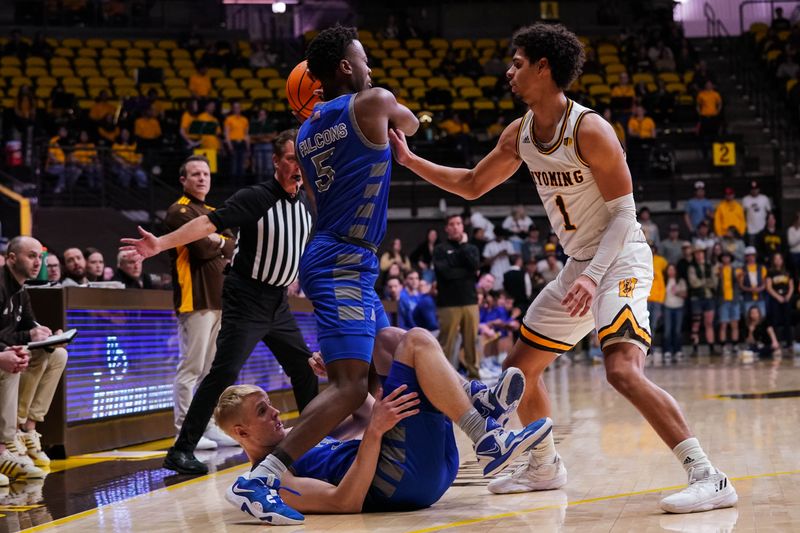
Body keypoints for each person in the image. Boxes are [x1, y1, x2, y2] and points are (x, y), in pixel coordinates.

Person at [388, 22, 736, 513]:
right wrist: (409, 160)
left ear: (543, 67)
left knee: (621, 370)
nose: (509, 71)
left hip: (618, 259)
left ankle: (710, 476)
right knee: (519, 371)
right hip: (580, 265)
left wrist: (594, 276)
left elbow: (624, 214)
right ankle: (544, 467)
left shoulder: (589, 128)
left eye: (517, 62)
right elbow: (470, 184)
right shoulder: (521, 133)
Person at [121, 130, 318, 477]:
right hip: (247, 297)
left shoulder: (303, 204)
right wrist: (161, 244)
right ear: (276, 161)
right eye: (290, 159)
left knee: (304, 369)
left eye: (302, 159)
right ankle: (181, 450)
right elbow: (206, 223)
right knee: (222, 373)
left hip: (278, 302)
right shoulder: (256, 197)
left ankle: (313, 444)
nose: (297, 166)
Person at [221, 328, 550, 522]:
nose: (276, 412)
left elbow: (363, 414)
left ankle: (480, 407)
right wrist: (375, 432)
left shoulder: (294, 437)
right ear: (241, 432)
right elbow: (343, 501)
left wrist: (341, 376)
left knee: (389, 338)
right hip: (401, 481)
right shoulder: (270, 480)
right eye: (263, 411)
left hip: (426, 473)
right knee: (416, 341)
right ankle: (484, 432)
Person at [164, 155, 237, 450]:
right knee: (191, 368)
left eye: (205, 174)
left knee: (210, 370)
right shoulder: (178, 211)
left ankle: (207, 426)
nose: (202, 178)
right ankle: (183, 430)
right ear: (184, 180)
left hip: (218, 300)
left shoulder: (212, 211)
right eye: (195, 174)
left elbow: (233, 244)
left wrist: (220, 241)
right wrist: (220, 241)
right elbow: (203, 249)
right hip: (193, 300)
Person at [2, 237, 66, 471]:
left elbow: (29, 324)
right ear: (11, 258)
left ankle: (29, 427)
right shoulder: (1, 285)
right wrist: (29, 337)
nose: (37, 262)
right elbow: (7, 335)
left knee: (58, 354)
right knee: (20, 357)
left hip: (8, 349)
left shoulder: (21, 290)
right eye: (31, 256)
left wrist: (48, 336)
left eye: (40, 257)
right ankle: (12, 435)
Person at [434, 215, 481, 378]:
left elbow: (475, 267)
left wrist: (463, 247)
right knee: (446, 342)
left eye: (458, 224)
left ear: (463, 227)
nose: (455, 227)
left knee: (471, 342)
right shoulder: (440, 249)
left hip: (470, 301)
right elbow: (445, 273)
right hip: (448, 303)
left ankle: (474, 375)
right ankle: (442, 376)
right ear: (447, 228)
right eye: (452, 224)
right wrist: (466, 271)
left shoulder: (471, 248)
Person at [688, 245, 717, 353]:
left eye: (701, 253)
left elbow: (714, 282)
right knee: (696, 323)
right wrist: (706, 282)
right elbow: (693, 283)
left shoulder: (709, 265)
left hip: (709, 297)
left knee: (709, 322)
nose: (699, 255)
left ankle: (711, 347)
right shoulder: (692, 267)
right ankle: (695, 348)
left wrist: (703, 283)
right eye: (697, 253)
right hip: (697, 298)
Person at [765, 252, 794, 348]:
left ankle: (789, 342)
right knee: (775, 321)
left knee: (787, 321)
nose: (778, 261)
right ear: (773, 261)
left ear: (782, 260)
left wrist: (788, 296)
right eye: (776, 259)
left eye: (779, 259)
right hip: (775, 298)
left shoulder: (787, 272)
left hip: (786, 298)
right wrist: (778, 297)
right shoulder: (770, 272)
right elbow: (768, 287)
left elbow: (791, 286)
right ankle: (776, 341)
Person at [716, 251, 741, 355]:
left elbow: (739, 282)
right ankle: (723, 345)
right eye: (724, 257)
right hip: (723, 299)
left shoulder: (736, 270)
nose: (726, 259)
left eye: (728, 257)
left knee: (734, 324)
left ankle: (735, 344)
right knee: (723, 324)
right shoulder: (718, 270)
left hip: (734, 299)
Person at [662, 264, 687, 362]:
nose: (671, 271)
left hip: (679, 308)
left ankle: (678, 350)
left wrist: (677, 292)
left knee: (677, 330)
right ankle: (667, 350)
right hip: (667, 307)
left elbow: (685, 294)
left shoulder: (680, 281)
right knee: (667, 330)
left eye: (673, 269)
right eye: (669, 270)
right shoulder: (664, 280)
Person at [224, 101, 250, 185]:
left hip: (242, 144)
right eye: (235, 107)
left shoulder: (244, 120)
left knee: (242, 165)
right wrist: (230, 146)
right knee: (234, 165)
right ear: (232, 109)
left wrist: (248, 147)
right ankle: (233, 185)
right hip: (233, 143)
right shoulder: (229, 119)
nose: (237, 109)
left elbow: (246, 135)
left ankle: (241, 185)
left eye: (238, 107)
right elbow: (227, 134)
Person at [739, 246, 767, 318]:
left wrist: (760, 288)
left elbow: (765, 282)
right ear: (746, 257)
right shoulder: (742, 269)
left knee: (762, 316)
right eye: (749, 256)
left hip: (760, 297)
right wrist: (750, 289)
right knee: (748, 317)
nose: (751, 258)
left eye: (753, 255)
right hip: (748, 298)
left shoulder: (762, 268)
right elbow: (741, 285)